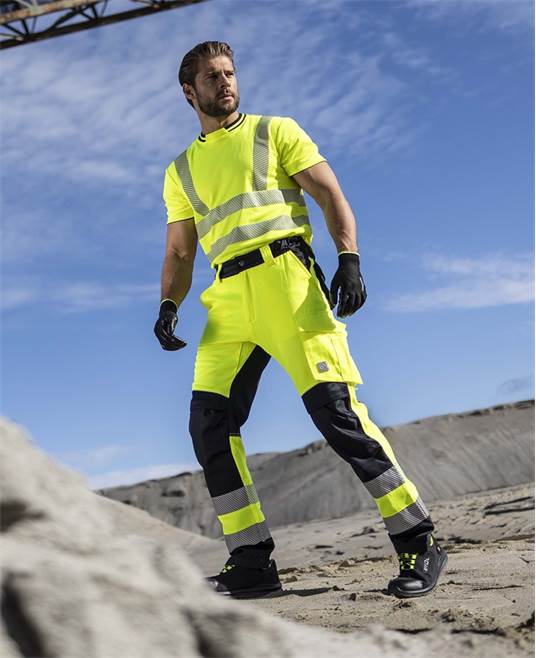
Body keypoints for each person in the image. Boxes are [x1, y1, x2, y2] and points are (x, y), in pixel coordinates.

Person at [154, 41, 447, 599]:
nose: (226, 82)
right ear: (189, 92)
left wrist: (349, 257)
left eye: (230, 72)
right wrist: (169, 303)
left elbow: (330, 193)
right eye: (212, 77)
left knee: (336, 413)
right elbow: (179, 250)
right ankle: (251, 561)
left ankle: (418, 537)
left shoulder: (276, 131)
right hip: (228, 300)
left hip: (288, 282)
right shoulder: (180, 170)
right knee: (208, 424)